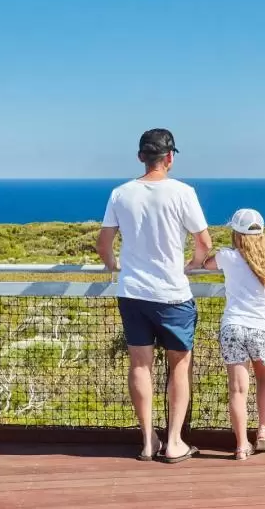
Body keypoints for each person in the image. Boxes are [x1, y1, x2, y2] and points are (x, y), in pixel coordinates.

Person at [96, 128, 212, 464]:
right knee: (179, 366)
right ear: (170, 157)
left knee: (140, 366)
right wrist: (190, 265)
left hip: (132, 293)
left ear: (140, 157)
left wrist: (114, 265)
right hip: (172, 295)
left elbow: (104, 245)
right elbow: (204, 244)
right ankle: (174, 442)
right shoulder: (183, 193)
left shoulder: (121, 194)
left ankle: (148, 441)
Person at [202, 208, 265, 460]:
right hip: (261, 328)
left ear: (235, 233)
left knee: (237, 390)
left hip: (233, 326)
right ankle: (263, 431)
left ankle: (241, 445)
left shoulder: (226, 256)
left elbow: (206, 263)